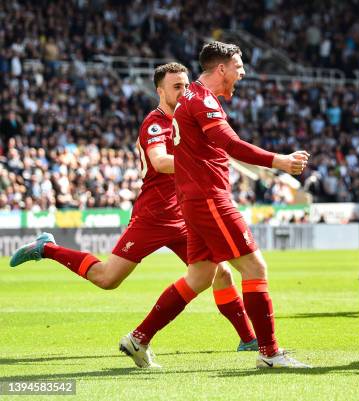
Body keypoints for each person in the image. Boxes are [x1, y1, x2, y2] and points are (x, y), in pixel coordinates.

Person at [9, 63, 259, 361]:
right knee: (107, 278)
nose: (183, 92)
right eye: (175, 87)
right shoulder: (154, 124)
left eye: (185, 86)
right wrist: (201, 161)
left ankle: (249, 339)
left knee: (221, 272)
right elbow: (160, 161)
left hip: (185, 216)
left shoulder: (189, 118)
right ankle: (47, 248)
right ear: (160, 91)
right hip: (154, 216)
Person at [120, 41, 311, 369]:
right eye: (238, 67)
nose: (242, 73)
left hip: (194, 198)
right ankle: (269, 352)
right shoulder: (202, 102)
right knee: (254, 268)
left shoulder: (190, 96)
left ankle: (138, 338)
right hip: (209, 198)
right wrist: (278, 161)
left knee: (199, 276)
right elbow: (231, 144)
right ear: (221, 69)